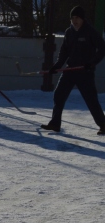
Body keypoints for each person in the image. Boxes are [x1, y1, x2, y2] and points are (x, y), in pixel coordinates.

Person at [41, 6, 105, 135]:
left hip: (84, 72)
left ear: (82, 19)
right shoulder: (69, 32)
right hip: (70, 70)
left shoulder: (90, 31)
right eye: (72, 18)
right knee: (58, 95)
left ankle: (103, 125)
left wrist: (91, 63)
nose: (75, 20)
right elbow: (64, 52)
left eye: (77, 18)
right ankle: (55, 124)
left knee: (91, 100)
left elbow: (102, 49)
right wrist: (57, 65)